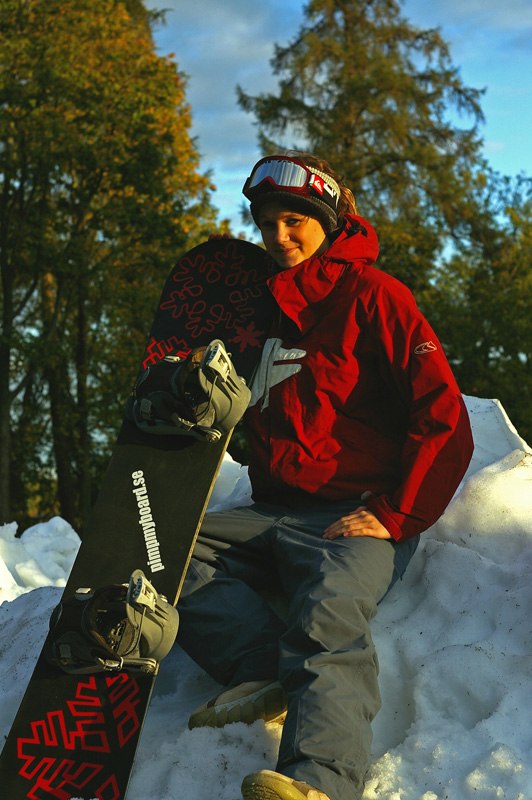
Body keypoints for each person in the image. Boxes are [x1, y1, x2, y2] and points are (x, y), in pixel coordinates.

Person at [177, 152, 474, 800]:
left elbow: (445, 416)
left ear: (328, 222)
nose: (279, 237)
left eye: (294, 221)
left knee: (328, 613)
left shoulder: (376, 296)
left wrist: (396, 515)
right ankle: (263, 671)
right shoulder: (260, 314)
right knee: (167, 550)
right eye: (267, 224)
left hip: (356, 513)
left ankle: (319, 784)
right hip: (272, 510)